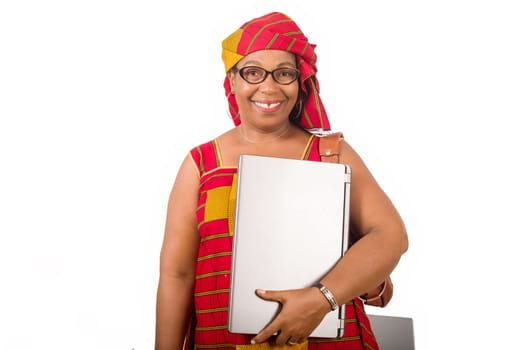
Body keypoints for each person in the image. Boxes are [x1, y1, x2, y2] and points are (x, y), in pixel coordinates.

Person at [155, 11, 408, 350]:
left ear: (299, 82)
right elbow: (177, 275)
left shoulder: (330, 153)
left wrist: (321, 299)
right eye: (253, 72)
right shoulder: (202, 164)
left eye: (284, 74)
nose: (269, 87)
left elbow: (391, 235)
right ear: (233, 80)